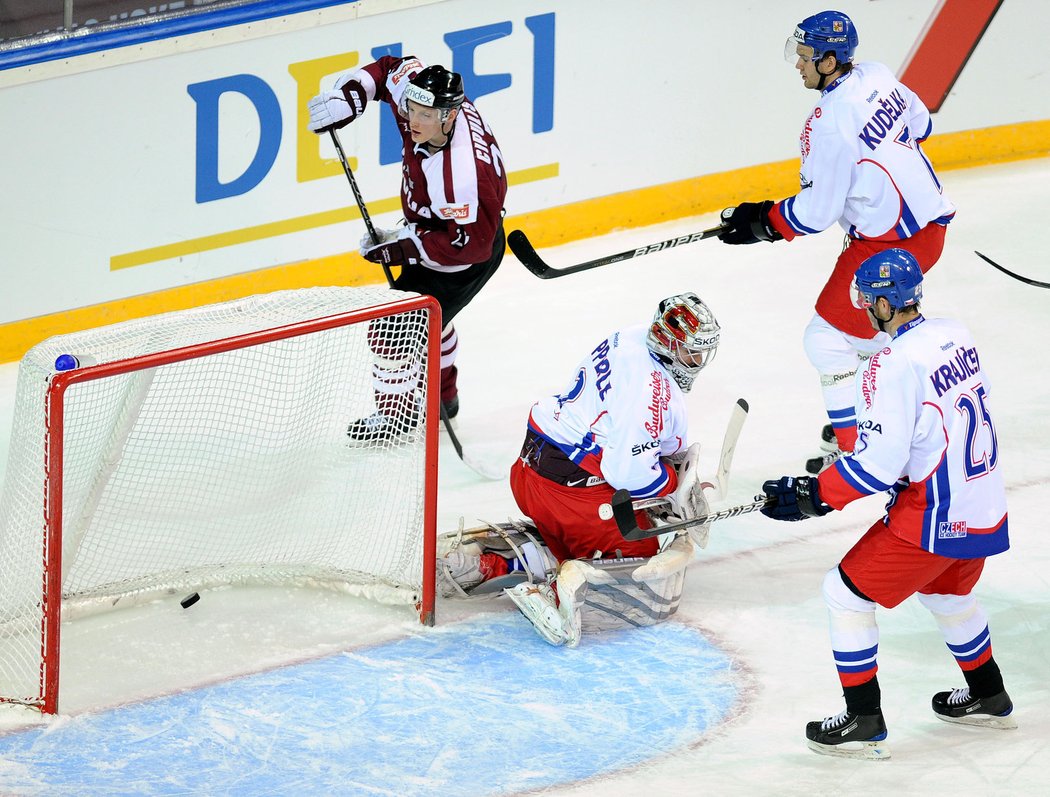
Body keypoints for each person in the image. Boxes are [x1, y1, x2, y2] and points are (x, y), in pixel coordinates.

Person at [760, 249, 1014, 761]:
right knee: (947, 596)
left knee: (844, 593)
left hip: (936, 516)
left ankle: (863, 717)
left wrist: (814, 495)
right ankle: (989, 693)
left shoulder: (889, 364)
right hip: (983, 503)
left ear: (880, 302)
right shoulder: (954, 332)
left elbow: (877, 466)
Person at [716, 9, 955, 473]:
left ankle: (858, 453)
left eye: (805, 56)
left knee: (826, 341)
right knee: (866, 336)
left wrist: (761, 221)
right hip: (930, 228)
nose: (798, 64)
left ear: (829, 61)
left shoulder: (828, 121)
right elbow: (922, 124)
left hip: (887, 247)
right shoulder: (877, 74)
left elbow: (816, 213)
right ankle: (885, 419)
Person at [438, 293, 722, 646]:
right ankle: (549, 572)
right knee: (638, 570)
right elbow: (628, 474)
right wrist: (673, 483)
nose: (696, 361)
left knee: (584, 530)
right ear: (668, 345)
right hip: (572, 497)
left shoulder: (633, 337)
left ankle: (495, 561)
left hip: (531, 473)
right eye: (690, 352)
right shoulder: (652, 392)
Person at [307, 56, 508, 441]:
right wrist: (351, 98)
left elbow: (469, 248)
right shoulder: (429, 102)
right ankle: (445, 398)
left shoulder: (460, 176)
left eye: (424, 115)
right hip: (447, 230)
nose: (412, 120)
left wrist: (403, 248)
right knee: (434, 321)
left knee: (391, 331)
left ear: (449, 117)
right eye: (410, 109)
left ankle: (397, 419)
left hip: (463, 255)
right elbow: (387, 69)